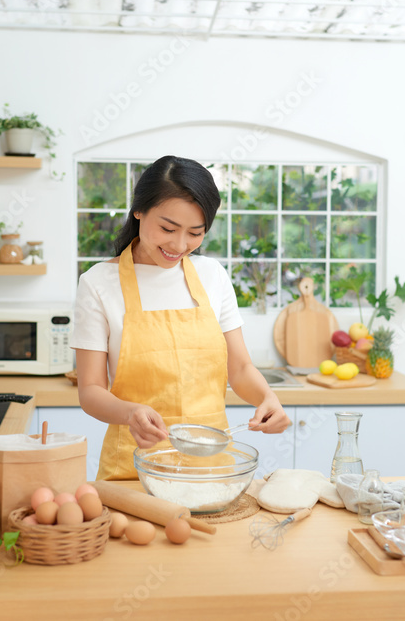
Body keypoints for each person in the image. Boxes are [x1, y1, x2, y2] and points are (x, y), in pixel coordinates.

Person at [71, 156, 292, 480]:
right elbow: (90, 391)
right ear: (139, 210)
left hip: (211, 471)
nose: (179, 245)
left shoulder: (212, 276)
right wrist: (130, 412)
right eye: (167, 228)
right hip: (133, 473)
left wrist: (267, 397)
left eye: (195, 233)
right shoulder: (98, 283)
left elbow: (240, 368)